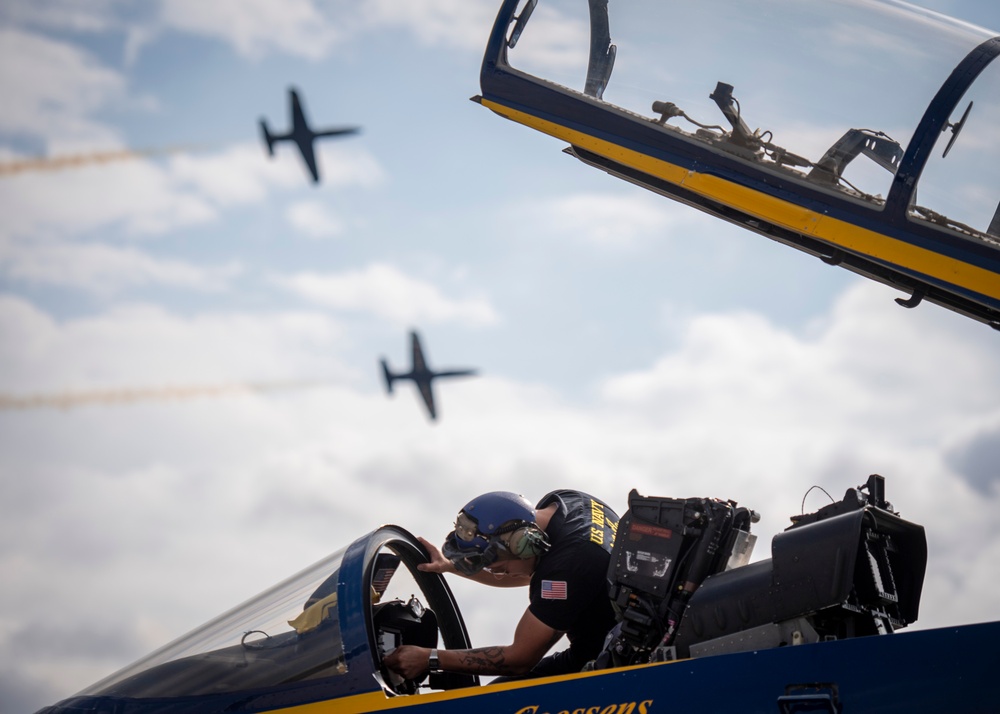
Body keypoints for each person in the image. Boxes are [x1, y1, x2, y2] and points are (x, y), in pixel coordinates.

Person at [384, 489, 620, 681]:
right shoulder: (569, 502)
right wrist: (450, 566)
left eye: (493, 564)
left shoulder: (568, 567)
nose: (493, 573)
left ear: (522, 543)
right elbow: (539, 578)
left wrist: (429, 658)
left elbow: (519, 659)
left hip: (612, 671)